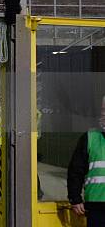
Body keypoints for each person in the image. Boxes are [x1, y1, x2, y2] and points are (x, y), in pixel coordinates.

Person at [67, 96, 105, 227]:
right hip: (97, 208)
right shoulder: (90, 138)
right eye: (103, 110)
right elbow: (75, 171)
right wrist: (75, 198)